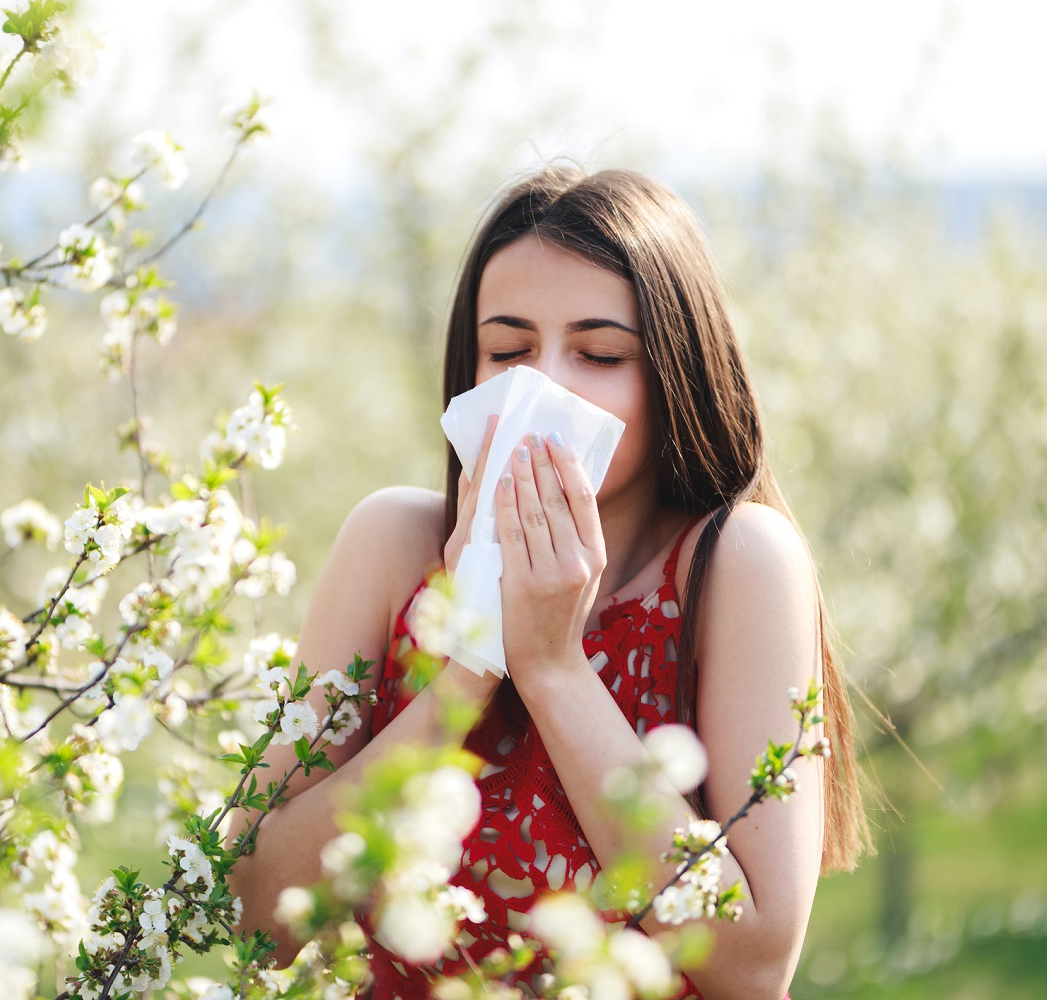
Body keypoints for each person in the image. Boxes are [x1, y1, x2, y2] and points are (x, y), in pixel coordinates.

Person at [228, 166, 869, 1000]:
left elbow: (750, 967)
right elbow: (253, 914)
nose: (547, 387)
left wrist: (555, 668)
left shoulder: (737, 565)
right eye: (510, 350)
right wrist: (468, 664)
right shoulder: (392, 544)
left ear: (675, 374)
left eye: (600, 353)